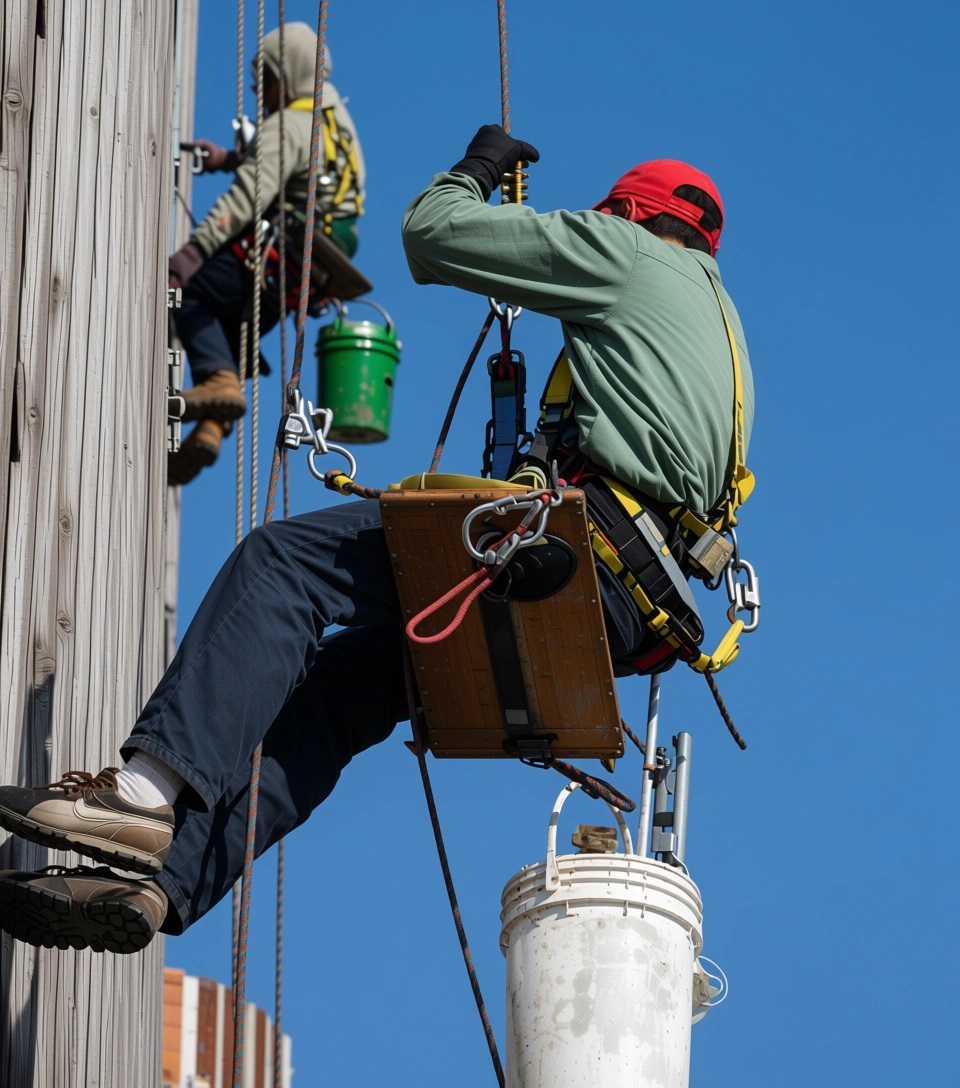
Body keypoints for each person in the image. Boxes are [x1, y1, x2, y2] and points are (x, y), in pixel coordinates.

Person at [0, 125, 753, 954]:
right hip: (627, 611)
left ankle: (138, 798)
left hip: (578, 553)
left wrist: (476, 171)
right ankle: (155, 885)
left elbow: (432, 233)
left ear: (628, 213)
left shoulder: (629, 254)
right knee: (340, 694)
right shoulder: (722, 329)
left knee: (283, 564)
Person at [167, 22, 365, 486]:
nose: (263, 95)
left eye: (269, 82)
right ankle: (214, 424)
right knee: (236, 329)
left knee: (192, 294)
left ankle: (219, 385)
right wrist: (228, 157)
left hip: (288, 247)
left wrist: (192, 254)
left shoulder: (289, 125)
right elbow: (294, 165)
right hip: (321, 266)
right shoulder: (333, 120)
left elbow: (247, 198)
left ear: (290, 76)